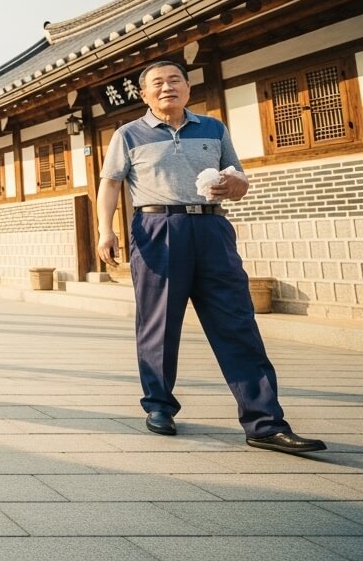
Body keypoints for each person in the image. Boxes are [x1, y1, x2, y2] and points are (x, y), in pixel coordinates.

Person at [96, 60, 325, 454]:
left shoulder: (213, 128)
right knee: (159, 324)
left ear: (188, 87)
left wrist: (237, 183)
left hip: (212, 229)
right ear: (143, 93)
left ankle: (265, 423)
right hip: (157, 230)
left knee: (237, 322)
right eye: (157, 83)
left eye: (175, 81)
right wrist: (106, 230)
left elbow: (238, 181)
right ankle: (159, 406)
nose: (167, 87)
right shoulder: (128, 134)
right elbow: (111, 183)